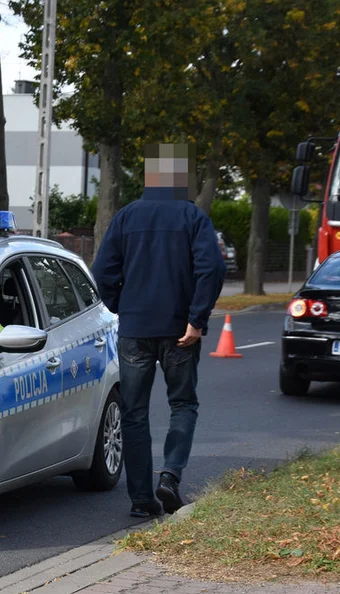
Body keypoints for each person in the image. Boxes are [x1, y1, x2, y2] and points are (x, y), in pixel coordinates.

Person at [90, 143, 226, 519]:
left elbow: (102, 273)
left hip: (134, 329)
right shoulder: (193, 217)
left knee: (133, 412)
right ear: (180, 177)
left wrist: (122, 306)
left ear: (151, 176)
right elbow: (211, 269)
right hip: (180, 330)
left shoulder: (125, 217)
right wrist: (197, 319)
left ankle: (140, 500)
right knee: (182, 403)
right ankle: (169, 475)